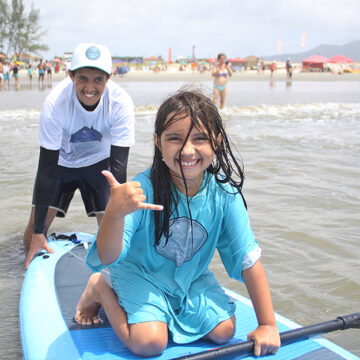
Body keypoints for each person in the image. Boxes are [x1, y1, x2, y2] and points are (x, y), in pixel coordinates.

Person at [74, 89, 280, 357]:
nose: (188, 150)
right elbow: (107, 255)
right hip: (140, 274)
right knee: (149, 343)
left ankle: (166, 311)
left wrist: (267, 324)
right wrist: (113, 213)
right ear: (158, 143)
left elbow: (248, 259)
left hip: (190, 277)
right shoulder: (141, 190)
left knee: (224, 331)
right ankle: (100, 288)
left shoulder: (225, 196)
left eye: (200, 139)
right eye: (175, 138)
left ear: (216, 142)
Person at [24, 42, 135, 269]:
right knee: (34, 230)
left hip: (100, 165)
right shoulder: (56, 103)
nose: (90, 87)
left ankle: (119, 274)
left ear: (109, 77)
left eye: (98, 79)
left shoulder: (120, 102)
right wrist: (37, 232)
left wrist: (117, 215)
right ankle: (25, 267)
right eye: (82, 78)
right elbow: (45, 169)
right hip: (60, 165)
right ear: (70, 75)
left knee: (111, 230)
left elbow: (118, 169)